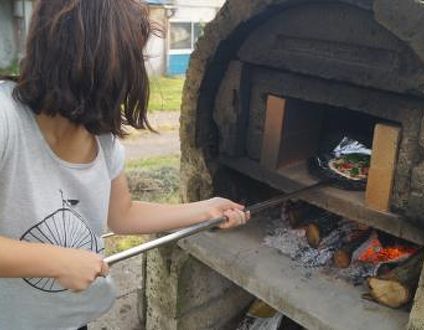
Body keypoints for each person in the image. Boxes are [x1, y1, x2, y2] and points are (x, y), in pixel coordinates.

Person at [0, 1, 250, 329]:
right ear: (86, 63)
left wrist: (206, 209)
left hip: (71, 319)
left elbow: (123, 214)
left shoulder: (101, 139)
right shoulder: (7, 121)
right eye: (129, 62)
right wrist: (56, 262)